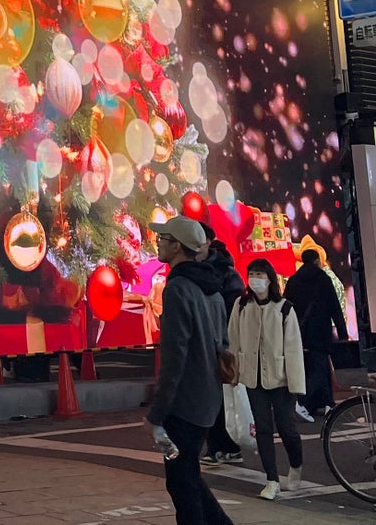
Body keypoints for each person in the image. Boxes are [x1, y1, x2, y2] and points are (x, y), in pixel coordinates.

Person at [147, 216, 235, 525]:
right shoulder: (211, 288)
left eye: (164, 238)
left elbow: (175, 358)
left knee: (182, 483)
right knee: (188, 475)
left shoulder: (178, 289)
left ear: (178, 246)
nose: (158, 242)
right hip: (208, 400)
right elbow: (223, 343)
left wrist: (157, 413)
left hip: (184, 404)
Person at [230, 259, 305, 500]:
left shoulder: (284, 308)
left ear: (269, 278)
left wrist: (296, 384)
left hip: (281, 379)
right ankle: (271, 480)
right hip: (253, 378)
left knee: (287, 427)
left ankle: (296, 466)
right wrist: (232, 375)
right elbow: (233, 340)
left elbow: (293, 347)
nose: (255, 278)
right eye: (251, 274)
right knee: (262, 429)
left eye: (259, 274)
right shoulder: (241, 305)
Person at [197, 236, 246, 466]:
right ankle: (218, 446)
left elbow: (234, 309)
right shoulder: (206, 271)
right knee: (216, 398)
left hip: (222, 345)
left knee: (224, 399)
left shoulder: (224, 274)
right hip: (213, 343)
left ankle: (226, 446)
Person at [285, 247, 345, 415]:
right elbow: (335, 307)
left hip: (300, 332)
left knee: (307, 367)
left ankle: (320, 401)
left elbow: (286, 306)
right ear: (317, 260)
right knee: (321, 366)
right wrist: (342, 332)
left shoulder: (294, 280)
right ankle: (307, 401)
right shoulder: (323, 279)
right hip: (321, 331)